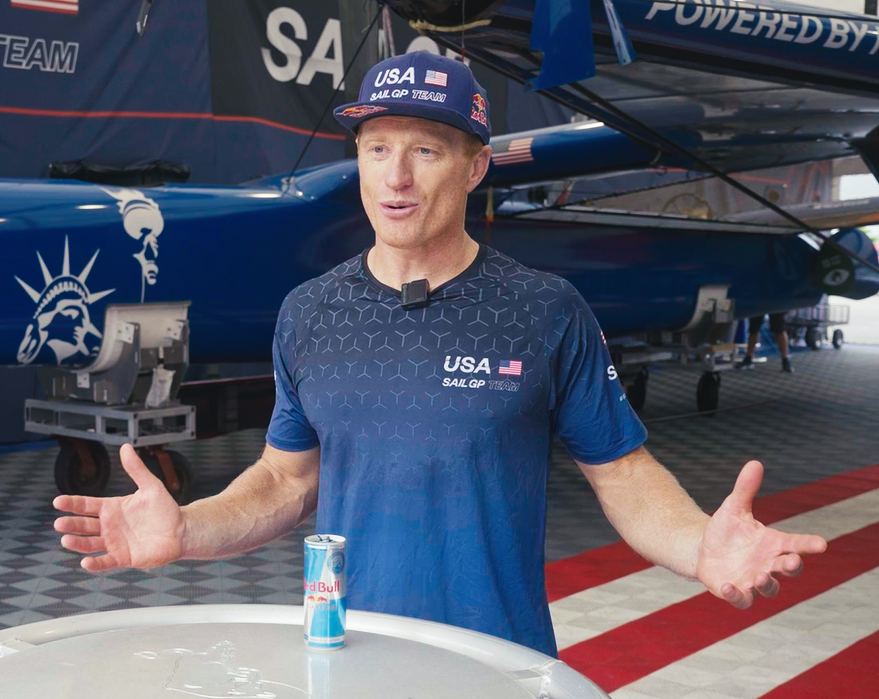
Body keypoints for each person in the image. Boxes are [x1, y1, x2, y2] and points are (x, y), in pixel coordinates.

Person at [53, 53, 827, 657]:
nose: (395, 176)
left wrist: (698, 546)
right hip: (351, 655)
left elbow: (622, 473)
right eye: (376, 146)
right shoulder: (310, 312)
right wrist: (187, 528)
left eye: (425, 149)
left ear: (475, 165)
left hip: (496, 660)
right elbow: (286, 481)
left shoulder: (543, 309)